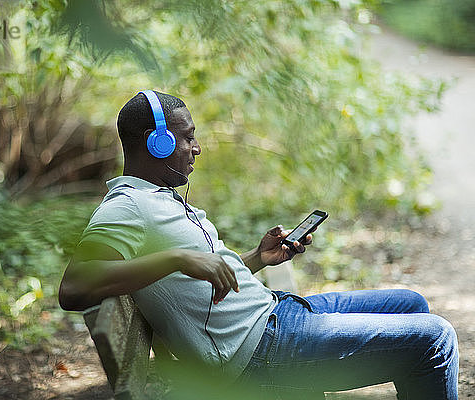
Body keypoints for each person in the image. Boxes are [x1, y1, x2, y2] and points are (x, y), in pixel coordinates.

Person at [58, 90, 459, 399]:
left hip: (277, 314)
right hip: (261, 353)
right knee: (434, 339)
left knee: (410, 303)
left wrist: (259, 258)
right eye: (187, 138)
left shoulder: (159, 196)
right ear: (156, 142)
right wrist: (176, 258)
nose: (197, 148)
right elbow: (74, 286)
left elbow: (201, 281)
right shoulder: (126, 206)